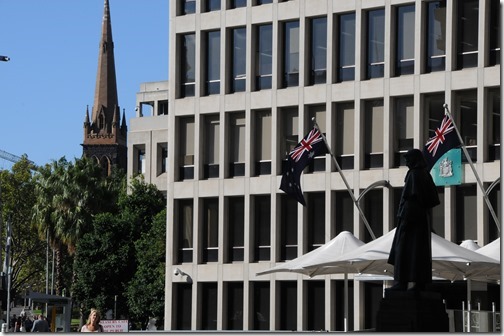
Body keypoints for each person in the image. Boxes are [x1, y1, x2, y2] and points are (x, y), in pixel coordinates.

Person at [387, 148, 440, 291]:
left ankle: (402, 282)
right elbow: (432, 199)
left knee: (404, 250)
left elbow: (410, 199)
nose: (406, 162)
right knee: (418, 252)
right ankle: (419, 283)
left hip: (410, 219)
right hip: (420, 220)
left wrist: (405, 220)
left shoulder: (414, 175)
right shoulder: (425, 175)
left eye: (408, 159)